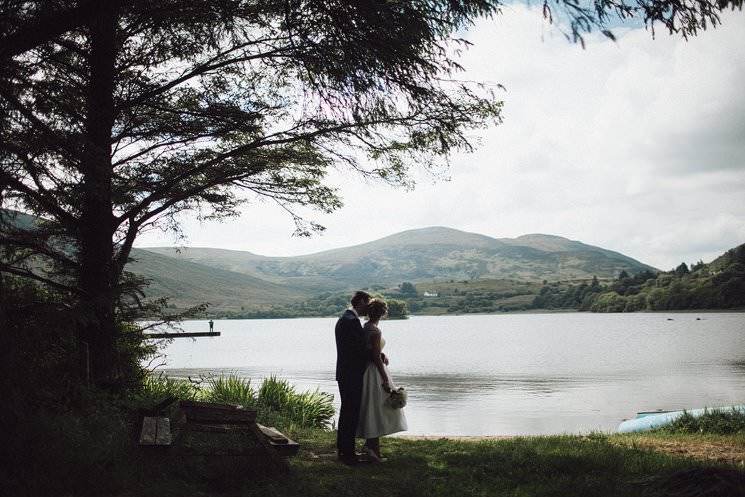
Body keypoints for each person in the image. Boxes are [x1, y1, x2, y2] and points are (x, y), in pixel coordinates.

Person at [357, 298, 408, 461]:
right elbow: (375, 357)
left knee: (372, 407)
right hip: (375, 372)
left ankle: (369, 446)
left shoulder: (365, 327)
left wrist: (381, 353)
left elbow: (371, 351)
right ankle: (374, 451)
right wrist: (385, 379)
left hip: (365, 370)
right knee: (378, 408)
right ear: (383, 313)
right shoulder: (376, 331)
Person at [334, 290, 372, 465]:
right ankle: (348, 454)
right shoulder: (351, 322)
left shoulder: (345, 319)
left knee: (347, 412)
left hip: (345, 373)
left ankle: (344, 450)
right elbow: (359, 350)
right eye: (367, 303)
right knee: (351, 413)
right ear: (360, 302)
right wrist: (378, 355)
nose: (368, 307)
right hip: (351, 374)